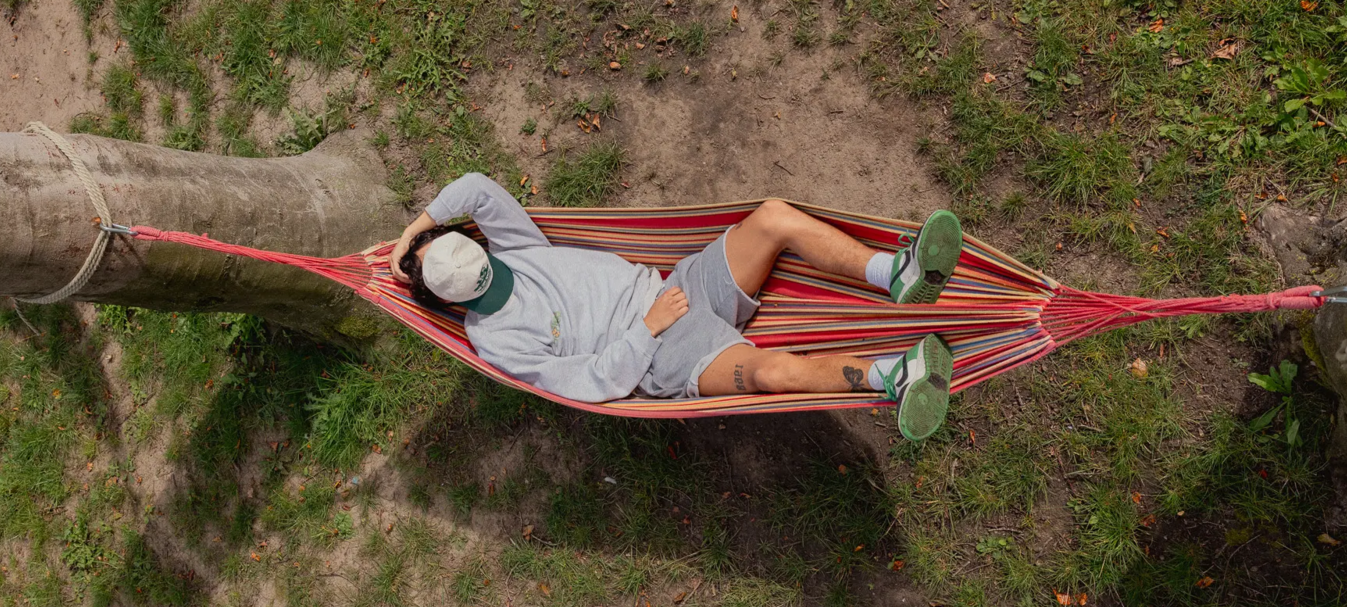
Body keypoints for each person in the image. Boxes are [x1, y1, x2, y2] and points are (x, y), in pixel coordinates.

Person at [389, 173, 961, 440]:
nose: (502, 278)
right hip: (660, 352)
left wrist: (417, 227)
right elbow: (586, 381)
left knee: (773, 217)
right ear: (453, 302)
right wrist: (646, 328)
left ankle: (897, 273)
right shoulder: (495, 338)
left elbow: (477, 189)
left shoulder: (513, 249)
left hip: (677, 284)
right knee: (769, 371)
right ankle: (896, 377)